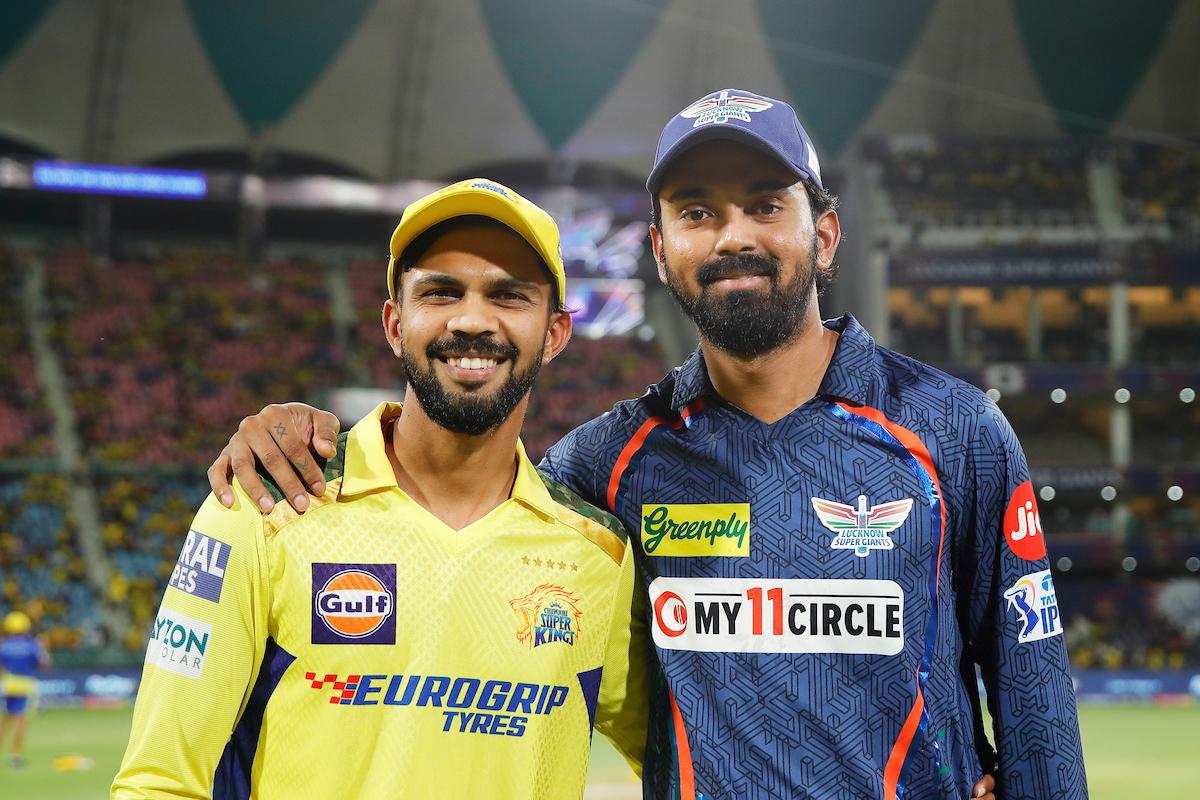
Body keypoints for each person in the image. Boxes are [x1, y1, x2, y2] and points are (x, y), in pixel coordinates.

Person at [207, 91, 1038, 800]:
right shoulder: (604, 467)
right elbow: (457, 501)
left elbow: (1034, 695)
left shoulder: (954, 432)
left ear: (823, 235)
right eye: (697, 212)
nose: (732, 236)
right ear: (661, 250)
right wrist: (305, 433)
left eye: (764, 205)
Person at [113, 179, 648, 799]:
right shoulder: (267, 502)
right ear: (395, 323)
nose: (472, 320)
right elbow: (159, 782)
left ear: (555, 333)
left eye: (509, 295)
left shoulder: (599, 555)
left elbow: (690, 753)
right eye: (441, 292)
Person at [0, 610, 50, 769]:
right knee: (21, 722)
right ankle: (16, 756)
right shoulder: (31, 644)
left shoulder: (4, 645)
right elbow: (44, 664)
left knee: (5, 721)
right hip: (25, 685)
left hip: (8, 685)